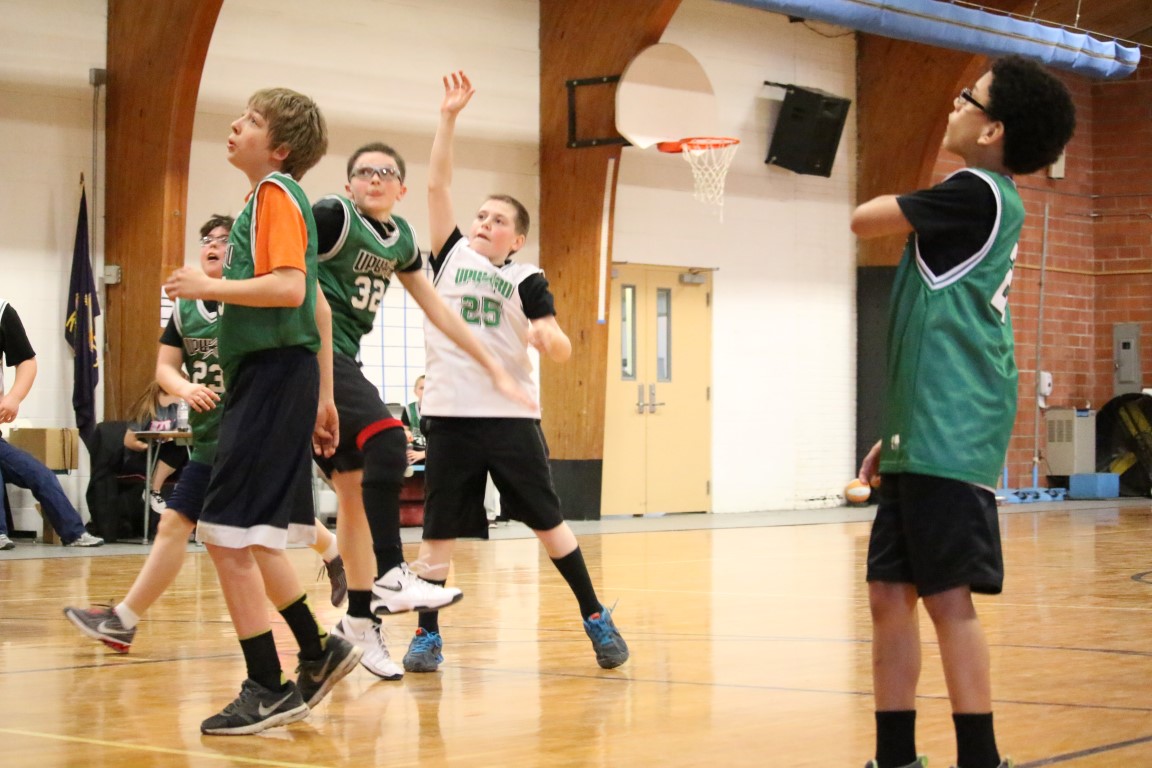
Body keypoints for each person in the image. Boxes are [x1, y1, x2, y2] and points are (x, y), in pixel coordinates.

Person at [852, 55, 1075, 768]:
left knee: (947, 600)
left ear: (992, 130)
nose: (954, 104)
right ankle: (895, 758)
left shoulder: (974, 190)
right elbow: (937, 329)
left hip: (953, 430)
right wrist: (898, 433)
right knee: (890, 593)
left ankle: (982, 759)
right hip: (929, 428)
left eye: (966, 97)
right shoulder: (983, 197)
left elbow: (864, 218)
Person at [403, 71, 629, 674]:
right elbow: (437, 183)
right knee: (438, 534)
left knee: (549, 525)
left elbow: (560, 344)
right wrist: (448, 117)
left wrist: (548, 337)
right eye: (481, 215)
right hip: (450, 414)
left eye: (498, 219)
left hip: (510, 418)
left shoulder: (526, 278)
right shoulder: (449, 255)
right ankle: (427, 635)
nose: (483, 223)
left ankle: (594, 615)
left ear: (517, 238)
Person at [163, 88, 360, 735]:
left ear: (278, 148)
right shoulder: (265, 198)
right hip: (277, 377)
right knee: (249, 534)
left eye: (250, 121)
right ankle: (315, 650)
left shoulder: (277, 193)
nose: (234, 124)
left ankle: (269, 685)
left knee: (224, 533)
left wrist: (209, 285)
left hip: (273, 373)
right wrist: (324, 396)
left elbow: (291, 288)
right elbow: (318, 305)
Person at [64, 215, 347, 654]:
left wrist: (321, 399)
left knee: (251, 538)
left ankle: (312, 642)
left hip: (252, 432)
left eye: (223, 240)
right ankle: (125, 620)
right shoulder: (185, 310)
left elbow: (316, 314)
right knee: (189, 527)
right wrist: (184, 388)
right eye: (206, 239)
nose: (213, 246)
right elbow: (164, 368)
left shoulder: (260, 297)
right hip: (209, 438)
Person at [311, 142, 528, 681]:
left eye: (386, 172)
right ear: (349, 185)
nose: (375, 178)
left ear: (400, 188)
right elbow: (290, 272)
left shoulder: (402, 239)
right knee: (389, 438)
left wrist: (490, 362)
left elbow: (437, 308)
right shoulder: (332, 217)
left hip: (340, 359)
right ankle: (390, 573)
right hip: (304, 353)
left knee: (351, 492)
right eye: (364, 172)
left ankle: (359, 623)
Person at [0, 300, 104, 549]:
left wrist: (14, 397)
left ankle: (74, 533)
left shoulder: (2, 311)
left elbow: (27, 360)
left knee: (40, 474)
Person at [121, 381, 190, 515]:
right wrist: (149, 446)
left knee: (185, 447)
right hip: (142, 455)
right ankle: (153, 491)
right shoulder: (147, 409)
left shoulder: (176, 408)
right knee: (176, 448)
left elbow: (180, 431)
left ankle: (185, 493)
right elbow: (128, 441)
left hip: (165, 456)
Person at [401, 374, 426, 468]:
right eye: (422, 388)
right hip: (413, 454)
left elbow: (443, 443)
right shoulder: (409, 409)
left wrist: (423, 454)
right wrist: (405, 433)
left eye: (429, 388)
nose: (425, 391)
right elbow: (404, 431)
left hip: (433, 455)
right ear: (415, 391)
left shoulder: (440, 411)